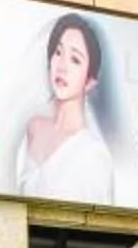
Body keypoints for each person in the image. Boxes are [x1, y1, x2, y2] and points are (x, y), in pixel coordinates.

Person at [12, 14, 116, 205]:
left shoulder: (94, 156)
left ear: (89, 82)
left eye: (75, 60)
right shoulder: (34, 128)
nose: (62, 67)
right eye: (58, 52)